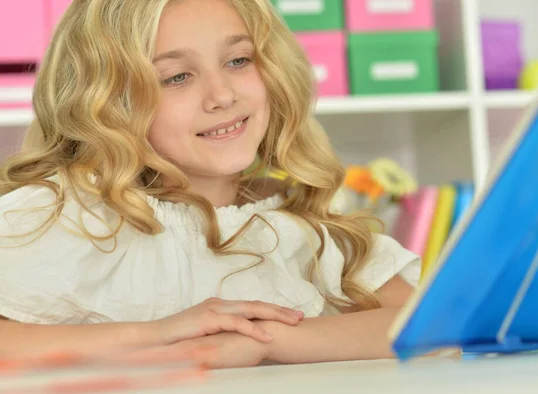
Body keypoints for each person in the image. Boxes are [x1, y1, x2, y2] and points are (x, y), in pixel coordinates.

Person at [0, 0, 420, 369]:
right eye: (176, 77)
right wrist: (160, 334)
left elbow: (425, 323)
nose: (222, 95)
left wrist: (260, 341)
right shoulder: (64, 214)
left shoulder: (294, 220)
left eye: (238, 60)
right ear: (107, 102)